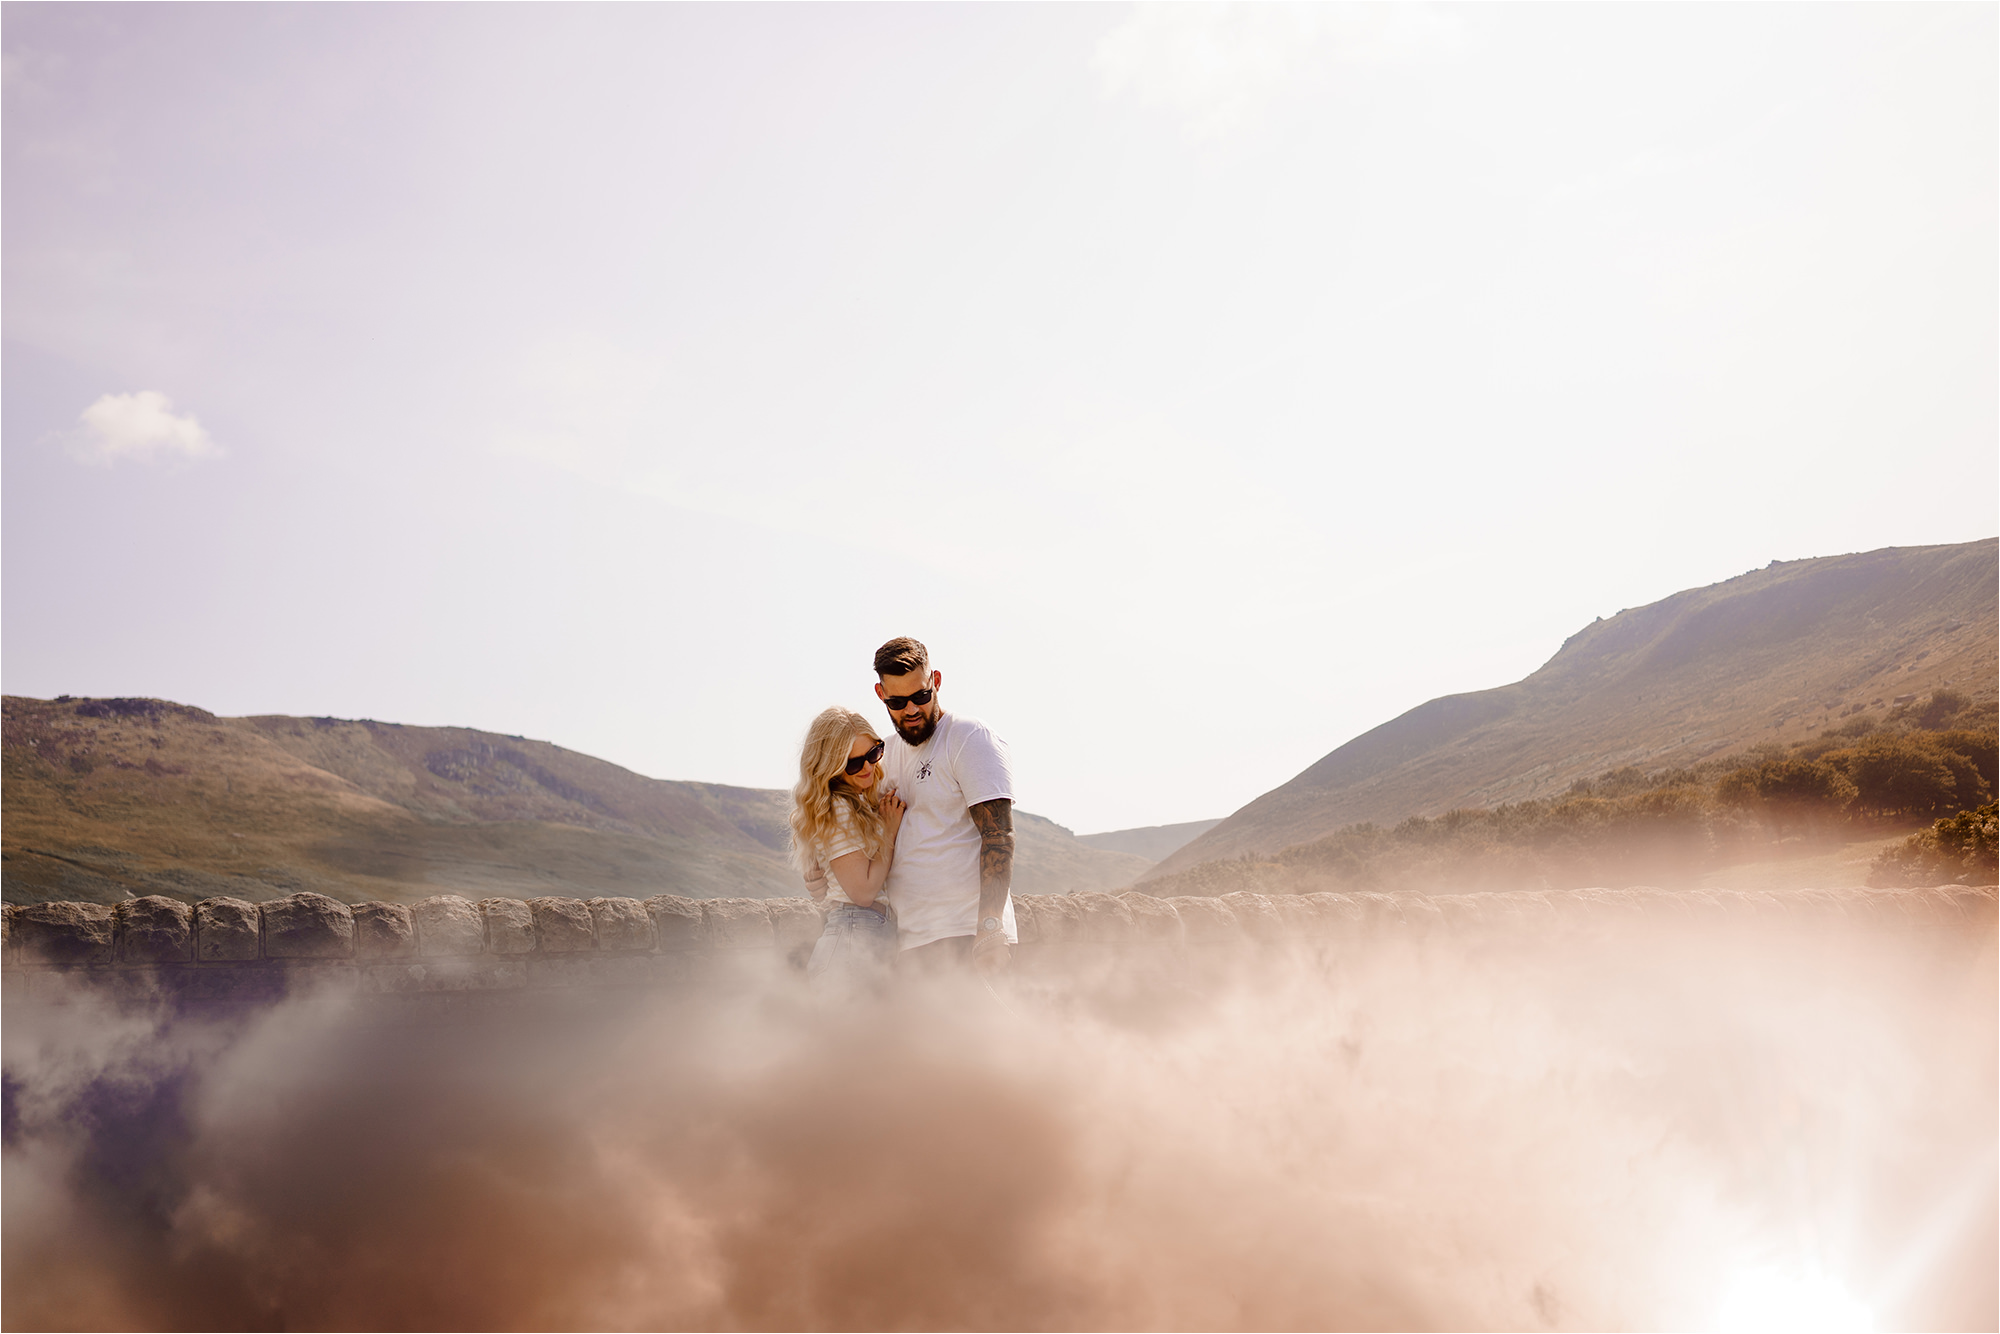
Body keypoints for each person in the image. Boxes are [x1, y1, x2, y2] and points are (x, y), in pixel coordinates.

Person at [867, 635, 1017, 974]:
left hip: (969, 936)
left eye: (920, 696)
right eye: (897, 701)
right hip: (912, 943)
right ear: (881, 695)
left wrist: (990, 928)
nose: (911, 709)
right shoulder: (884, 756)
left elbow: (999, 837)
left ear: (935, 681)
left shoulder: (969, 737)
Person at [789, 706, 905, 994]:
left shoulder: (858, 801)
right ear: (830, 767)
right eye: (853, 764)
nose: (867, 768)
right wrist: (888, 832)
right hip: (856, 935)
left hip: (863, 936)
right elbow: (863, 892)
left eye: (873, 754)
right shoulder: (839, 808)